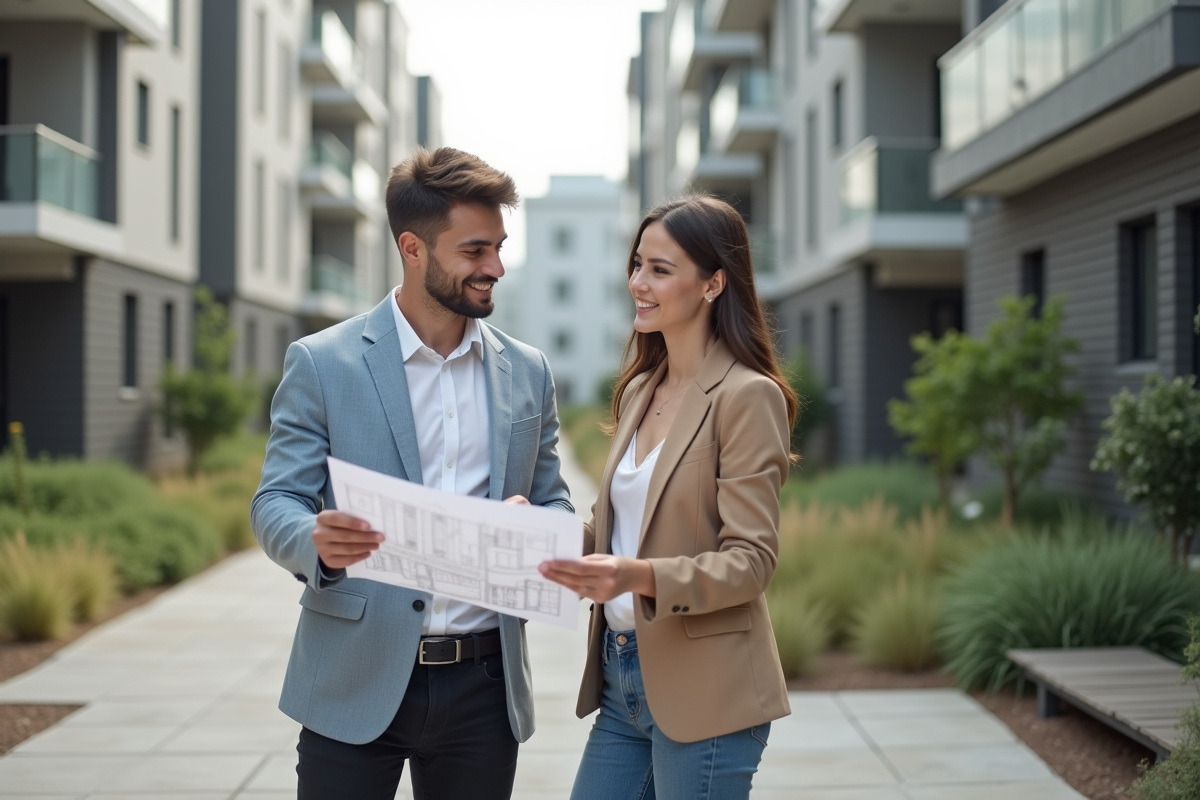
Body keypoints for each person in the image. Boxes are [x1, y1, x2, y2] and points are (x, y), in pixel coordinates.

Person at [251, 147, 573, 800]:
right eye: (475, 250)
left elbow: (554, 502)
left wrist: (538, 529)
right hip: (352, 675)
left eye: (499, 248)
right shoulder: (322, 362)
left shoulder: (528, 371)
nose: (495, 268)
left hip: (485, 687)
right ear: (413, 248)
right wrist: (315, 540)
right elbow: (276, 499)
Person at [539, 195, 798, 800]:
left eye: (660, 269)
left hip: (708, 690)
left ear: (713, 284)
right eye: (637, 264)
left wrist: (636, 575)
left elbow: (750, 563)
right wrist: (542, 535)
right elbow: (611, 533)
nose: (638, 283)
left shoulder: (746, 396)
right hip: (621, 681)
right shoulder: (639, 392)